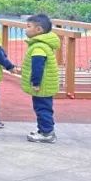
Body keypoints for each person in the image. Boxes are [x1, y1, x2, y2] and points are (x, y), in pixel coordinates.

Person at [23, 14, 60, 144]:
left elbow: (37, 66)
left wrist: (35, 82)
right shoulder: (43, 45)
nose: (25, 29)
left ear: (38, 30)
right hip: (46, 84)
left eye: (28, 27)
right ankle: (43, 129)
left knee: (42, 109)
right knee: (44, 108)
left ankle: (47, 133)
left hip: (42, 85)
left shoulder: (38, 47)